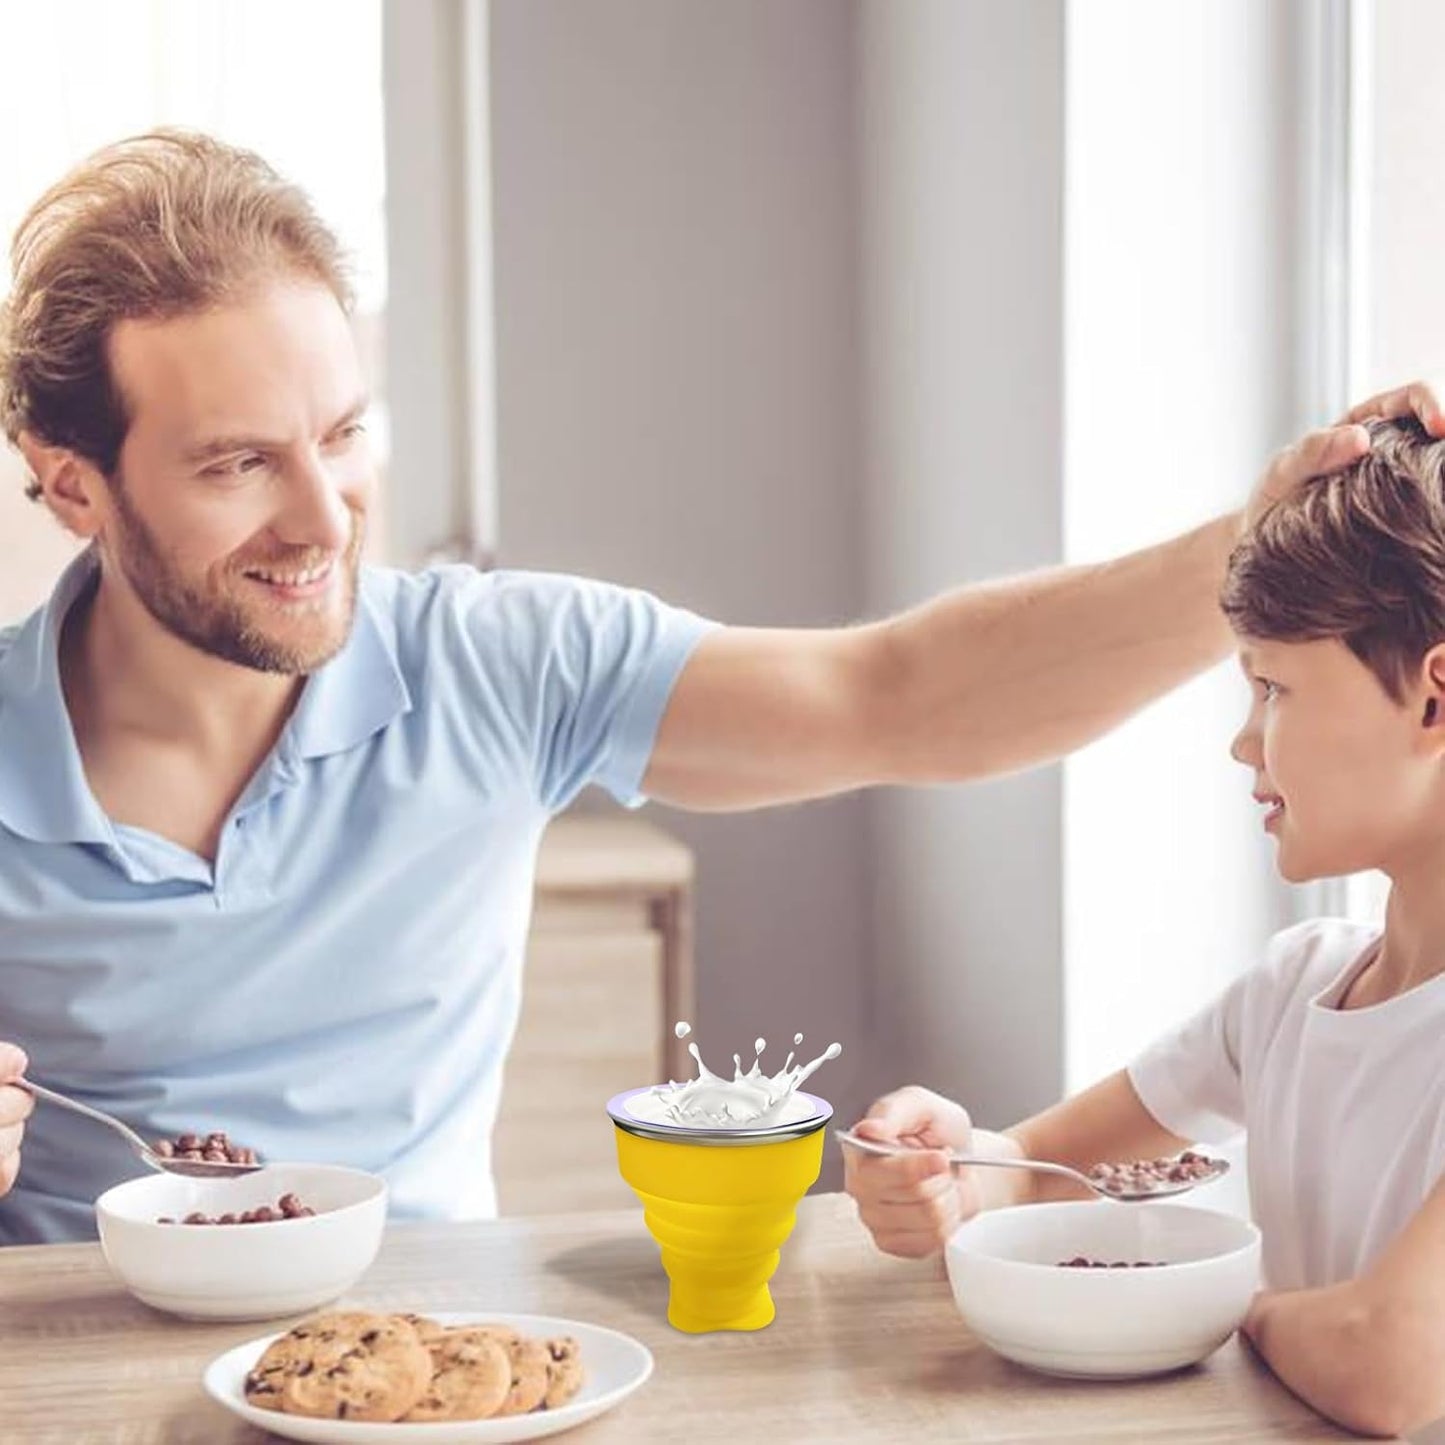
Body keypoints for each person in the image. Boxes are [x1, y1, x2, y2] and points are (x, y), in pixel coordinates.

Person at [0, 129, 1433, 1248]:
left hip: (423, 1369)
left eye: (341, 434)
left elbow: (898, 696)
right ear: (74, 486)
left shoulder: (491, 664)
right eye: (238, 462)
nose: (325, 518)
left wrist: (1249, 544)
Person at [844, 416, 1445, 1439]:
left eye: (1272, 685)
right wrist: (947, 1169)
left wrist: (1215, 1301)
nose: (1241, 740)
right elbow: (1030, 1169)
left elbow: (1387, 1362)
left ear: (1432, 699)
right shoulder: (1292, 989)